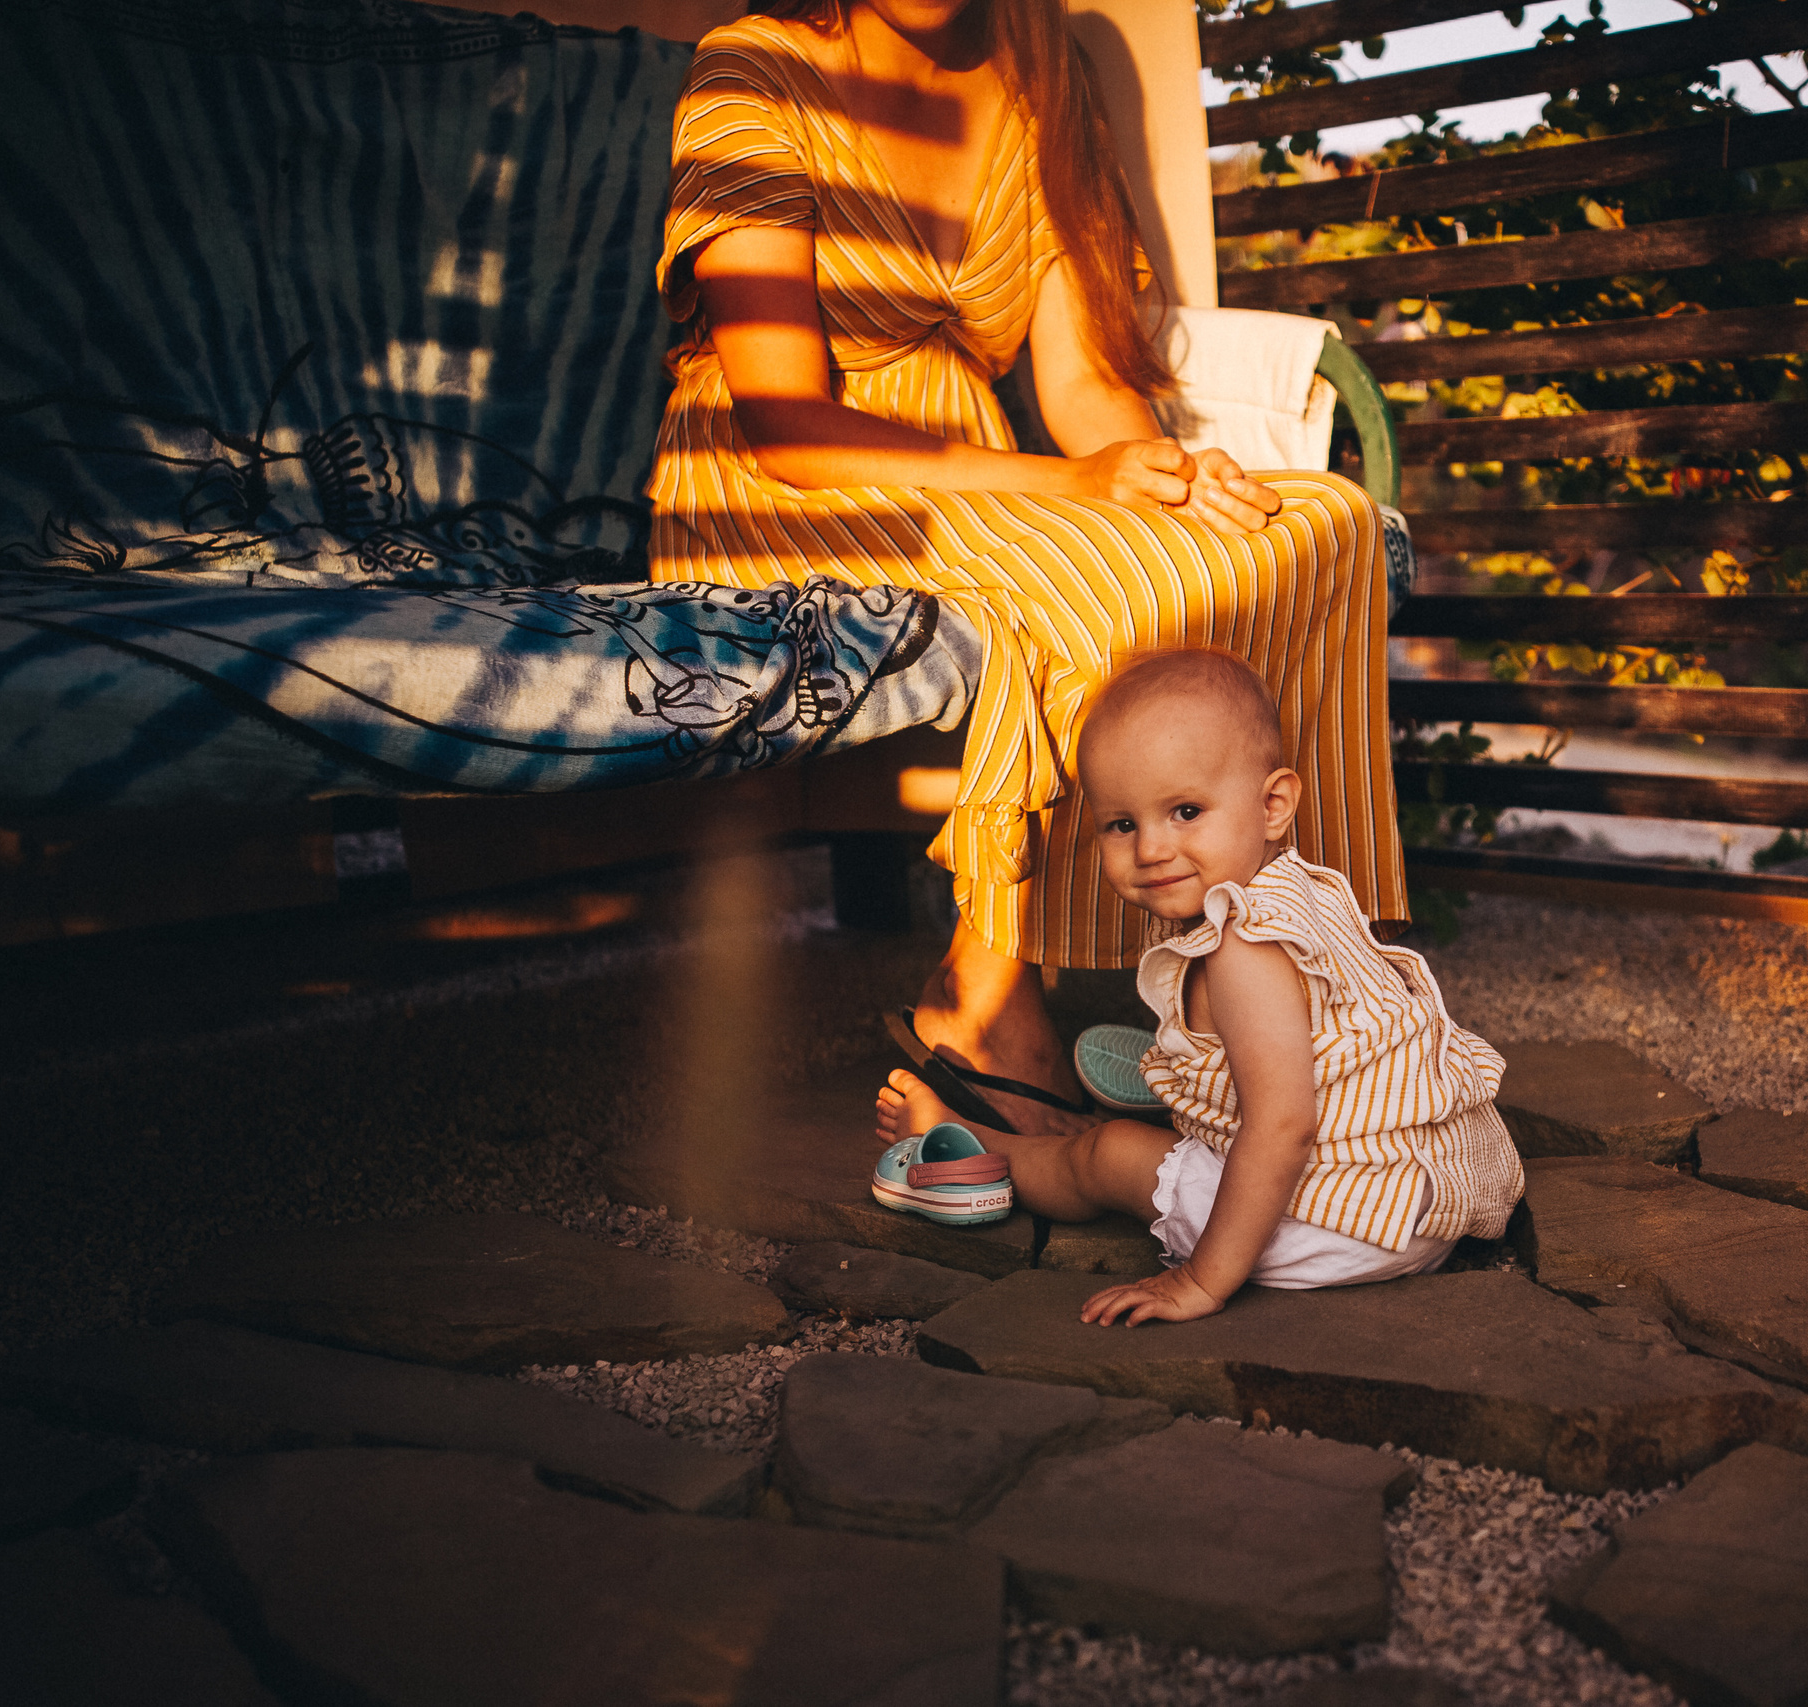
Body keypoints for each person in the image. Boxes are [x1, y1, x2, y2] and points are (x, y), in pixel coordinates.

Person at [648, 0, 1406, 1131]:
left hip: (980, 478)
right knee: (1111, 579)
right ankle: (990, 1003)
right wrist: (1072, 488)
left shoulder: (1043, 75)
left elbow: (1083, 388)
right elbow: (788, 425)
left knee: (1318, 526)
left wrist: (1163, 474)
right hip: (779, 492)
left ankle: (1297, 970)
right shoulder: (756, 66)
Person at [881, 650, 1525, 1325]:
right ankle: (1199, 1079)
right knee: (1231, 1090)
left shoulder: (1244, 946)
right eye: (1122, 823)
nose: (1152, 848)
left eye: (1185, 810)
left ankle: (979, 1144)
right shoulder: (1304, 889)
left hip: (1344, 1229)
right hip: (1425, 1191)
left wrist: (1202, 1280)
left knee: (1109, 1154)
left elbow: (1283, 1126)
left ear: (1274, 804)